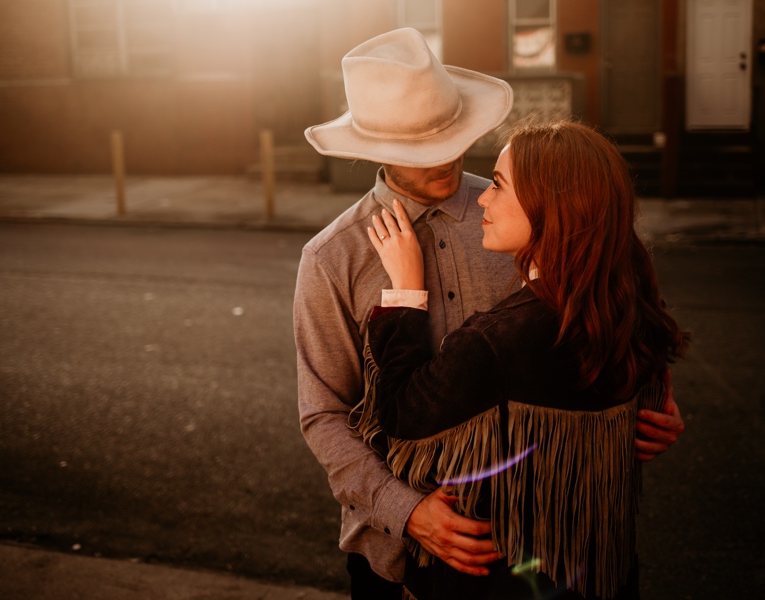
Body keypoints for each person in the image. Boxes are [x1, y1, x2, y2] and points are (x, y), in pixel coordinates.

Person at [294, 28, 685, 599]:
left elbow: (603, 309)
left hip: (548, 550)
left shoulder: (521, 211)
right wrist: (404, 510)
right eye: (419, 150)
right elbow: (324, 414)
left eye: (454, 136)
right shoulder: (333, 258)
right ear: (373, 149)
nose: (447, 160)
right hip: (399, 560)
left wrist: (641, 400)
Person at [361, 119, 690, 599]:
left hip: (500, 578)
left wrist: (407, 292)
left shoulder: (497, 341)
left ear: (550, 205)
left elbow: (398, 415)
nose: (481, 200)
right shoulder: (630, 304)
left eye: (497, 185)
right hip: (598, 574)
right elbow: (646, 396)